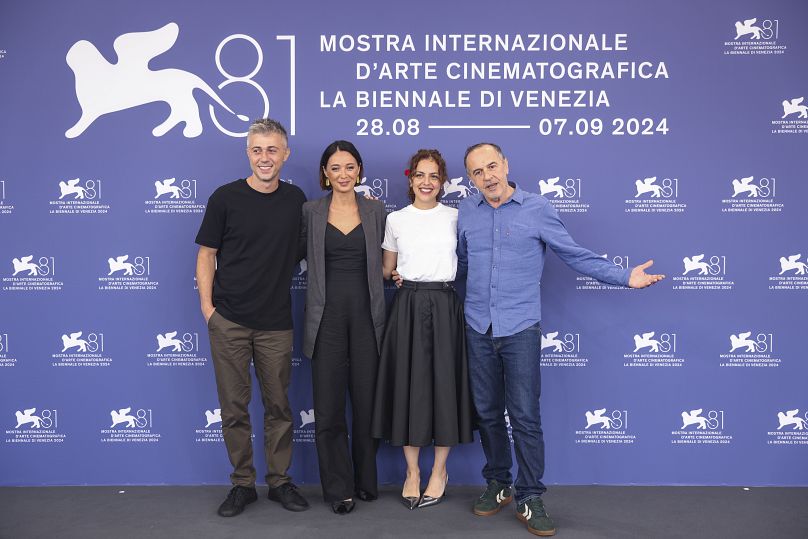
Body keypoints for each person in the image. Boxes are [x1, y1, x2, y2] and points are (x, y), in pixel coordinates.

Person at [458, 143, 664, 537]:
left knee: (524, 417)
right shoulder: (467, 212)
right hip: (477, 327)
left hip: (520, 329)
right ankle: (498, 482)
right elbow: (460, 265)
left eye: (492, 166)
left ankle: (530, 495)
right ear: (470, 179)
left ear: (506, 165)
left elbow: (576, 255)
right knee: (486, 413)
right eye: (477, 172)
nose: (487, 176)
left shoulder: (537, 208)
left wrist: (625, 276)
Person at [195, 118, 310, 517]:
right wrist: (209, 311)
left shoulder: (297, 201)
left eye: (272, 149)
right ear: (248, 153)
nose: (265, 157)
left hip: (276, 322)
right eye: (257, 150)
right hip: (229, 320)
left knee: (279, 407)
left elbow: (312, 250)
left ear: (285, 153)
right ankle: (243, 484)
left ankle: (279, 482)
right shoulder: (224, 198)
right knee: (234, 408)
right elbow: (206, 254)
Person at [371, 149, 474, 510]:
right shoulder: (396, 219)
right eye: (420, 175)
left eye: (434, 175)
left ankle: (439, 471)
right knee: (407, 388)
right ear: (410, 179)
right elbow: (387, 269)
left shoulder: (457, 218)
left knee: (445, 387)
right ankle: (412, 471)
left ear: (442, 181)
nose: (427, 182)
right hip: (409, 305)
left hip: (445, 304)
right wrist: (395, 274)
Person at [300, 140, 386, 515]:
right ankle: (339, 488)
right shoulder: (309, 212)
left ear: (360, 171)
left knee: (367, 406)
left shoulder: (377, 211)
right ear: (325, 173)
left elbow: (395, 257)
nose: (343, 174)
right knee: (330, 408)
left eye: (350, 167)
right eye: (335, 168)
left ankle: (365, 481)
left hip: (369, 320)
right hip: (326, 322)